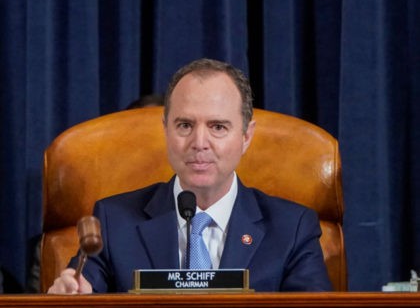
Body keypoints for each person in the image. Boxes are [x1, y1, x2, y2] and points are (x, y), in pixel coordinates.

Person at [48, 58, 332, 294]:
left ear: (246, 136)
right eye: (185, 125)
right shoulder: (114, 221)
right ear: (166, 130)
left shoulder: (292, 229)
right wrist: (70, 297)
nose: (199, 142)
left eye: (218, 127)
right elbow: (82, 289)